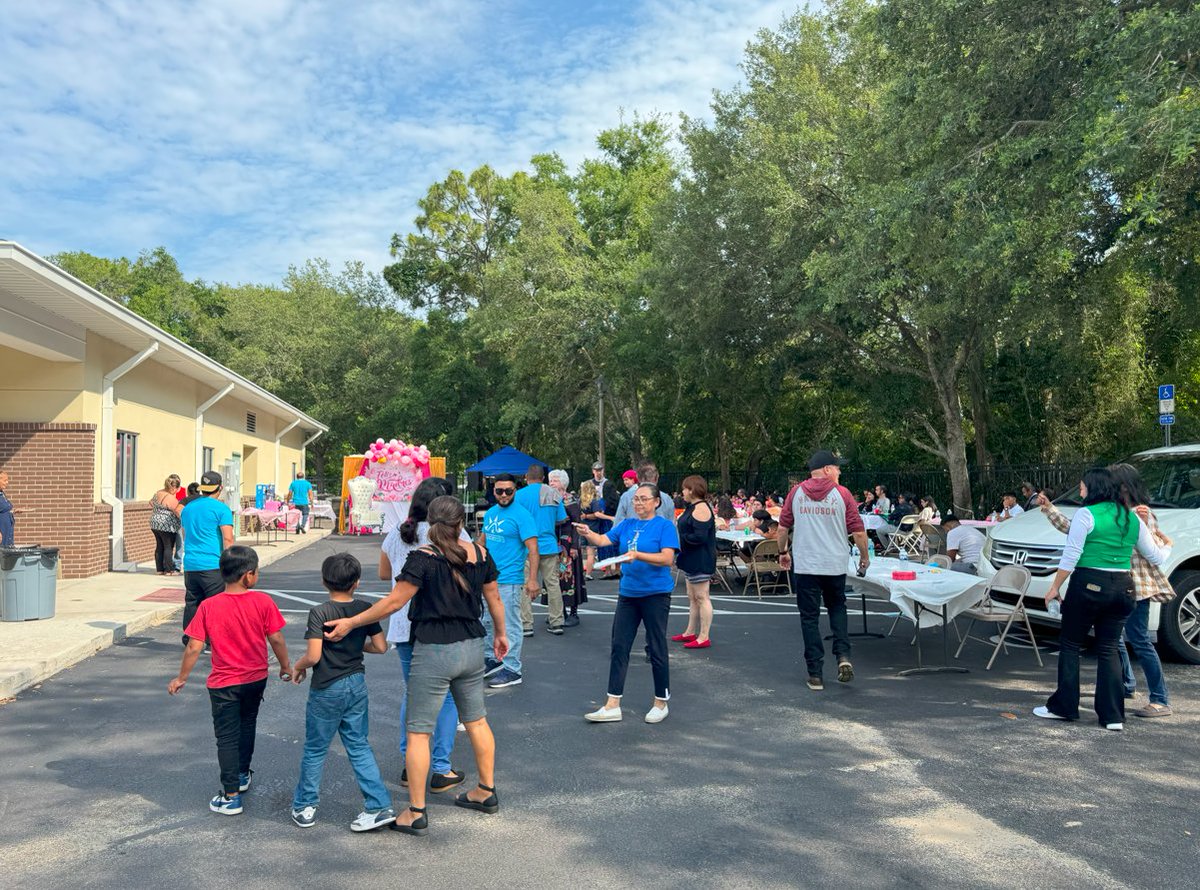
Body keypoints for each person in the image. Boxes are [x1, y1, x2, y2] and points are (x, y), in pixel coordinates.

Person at [325, 496, 508, 836]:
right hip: (471, 645)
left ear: (430, 522)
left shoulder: (422, 558)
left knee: (418, 731)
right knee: (477, 721)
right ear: (460, 524)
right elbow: (494, 597)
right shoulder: (480, 554)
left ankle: (417, 809)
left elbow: (393, 602)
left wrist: (352, 623)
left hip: (434, 651)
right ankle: (486, 790)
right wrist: (500, 634)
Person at [1033, 468, 1169, 731]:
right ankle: (1113, 716)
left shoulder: (1087, 514)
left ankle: (1064, 707)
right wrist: (1168, 544)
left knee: (1071, 644)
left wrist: (1054, 587)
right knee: (1109, 648)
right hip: (1124, 588)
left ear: (1093, 488)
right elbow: (1156, 557)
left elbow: (1071, 554)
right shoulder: (1132, 518)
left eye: (1082, 486)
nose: (1080, 490)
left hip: (1088, 583)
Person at [167, 545, 292, 816]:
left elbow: (194, 647)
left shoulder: (209, 606)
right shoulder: (263, 602)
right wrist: (285, 666)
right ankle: (242, 774)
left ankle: (231, 795)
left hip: (224, 683)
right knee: (247, 727)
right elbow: (277, 638)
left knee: (226, 737)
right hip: (256, 678)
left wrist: (181, 677)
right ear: (248, 576)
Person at [289, 553, 394, 831]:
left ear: (324, 581)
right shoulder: (364, 609)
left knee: (315, 748)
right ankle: (379, 804)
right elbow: (381, 647)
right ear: (357, 583)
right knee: (358, 745)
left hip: (327, 687)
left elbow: (313, 656)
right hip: (356, 683)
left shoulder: (320, 612)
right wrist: (359, 646)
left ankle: (305, 805)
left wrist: (296, 667)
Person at [379, 477, 469, 792]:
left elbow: (383, 573)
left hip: (403, 626)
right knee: (446, 698)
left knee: (412, 695)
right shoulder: (457, 534)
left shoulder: (396, 533)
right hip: (442, 625)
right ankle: (441, 768)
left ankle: (410, 764)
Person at [575, 483, 678, 724]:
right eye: (635, 499)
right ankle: (612, 704)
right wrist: (586, 533)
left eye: (643, 499)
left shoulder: (664, 526)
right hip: (628, 594)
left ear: (656, 502)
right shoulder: (627, 525)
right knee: (619, 646)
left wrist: (637, 555)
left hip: (655, 594)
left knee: (656, 647)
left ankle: (661, 702)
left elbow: (667, 559)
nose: (638, 503)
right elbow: (602, 540)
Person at [778, 450, 868, 691]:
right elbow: (858, 531)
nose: (840, 472)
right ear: (828, 469)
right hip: (834, 563)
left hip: (807, 564)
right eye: (837, 468)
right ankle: (843, 656)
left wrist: (783, 552)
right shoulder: (842, 494)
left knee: (809, 618)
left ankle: (815, 674)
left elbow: (783, 526)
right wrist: (864, 557)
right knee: (837, 608)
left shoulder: (795, 493)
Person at [478, 473, 540, 688]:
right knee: (486, 620)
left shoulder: (522, 516)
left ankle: (513, 669)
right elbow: (483, 541)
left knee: (510, 624)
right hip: (488, 579)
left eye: (508, 491)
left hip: (510, 579)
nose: (503, 495)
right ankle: (492, 659)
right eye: (499, 491)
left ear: (515, 491)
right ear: (493, 490)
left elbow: (533, 550)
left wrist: (532, 579)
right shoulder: (491, 513)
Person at [180, 471, 235, 646]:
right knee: (214, 604)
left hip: (191, 563)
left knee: (192, 602)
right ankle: (214, 641)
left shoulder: (188, 508)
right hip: (212, 563)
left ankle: (190, 638)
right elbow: (228, 538)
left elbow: (185, 533)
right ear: (220, 487)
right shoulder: (221, 509)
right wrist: (231, 562)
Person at [514, 465, 568, 635]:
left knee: (524, 584)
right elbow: (562, 519)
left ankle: (526, 624)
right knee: (553, 584)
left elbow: (514, 520)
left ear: (526, 477)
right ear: (543, 477)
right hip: (549, 545)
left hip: (526, 547)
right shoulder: (554, 494)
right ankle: (557, 621)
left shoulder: (519, 495)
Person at [674, 474, 716, 649]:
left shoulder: (701, 509)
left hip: (700, 558)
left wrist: (680, 538)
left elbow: (699, 536)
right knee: (692, 597)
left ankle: (704, 636)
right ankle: (690, 632)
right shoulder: (693, 507)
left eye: (684, 488)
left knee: (702, 596)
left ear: (691, 490)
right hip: (692, 557)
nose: (682, 492)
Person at [549, 469, 587, 628]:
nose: (551, 483)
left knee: (569, 577)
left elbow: (577, 524)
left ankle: (573, 612)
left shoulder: (570, 500)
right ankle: (559, 611)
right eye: (550, 480)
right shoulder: (549, 499)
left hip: (568, 545)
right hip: (554, 544)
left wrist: (574, 546)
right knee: (555, 577)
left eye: (555, 480)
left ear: (563, 483)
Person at [148, 474, 183, 575]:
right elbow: (177, 511)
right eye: (177, 489)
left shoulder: (158, 493)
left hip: (154, 523)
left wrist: (158, 510)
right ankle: (169, 570)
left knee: (159, 546)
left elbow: (150, 502)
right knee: (168, 546)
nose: (177, 491)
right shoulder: (171, 498)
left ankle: (159, 569)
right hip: (166, 525)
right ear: (174, 488)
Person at [0, 469, 15, 546]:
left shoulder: (2, 493)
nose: (7, 482)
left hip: (7, 532)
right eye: (5, 480)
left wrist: (14, 511)